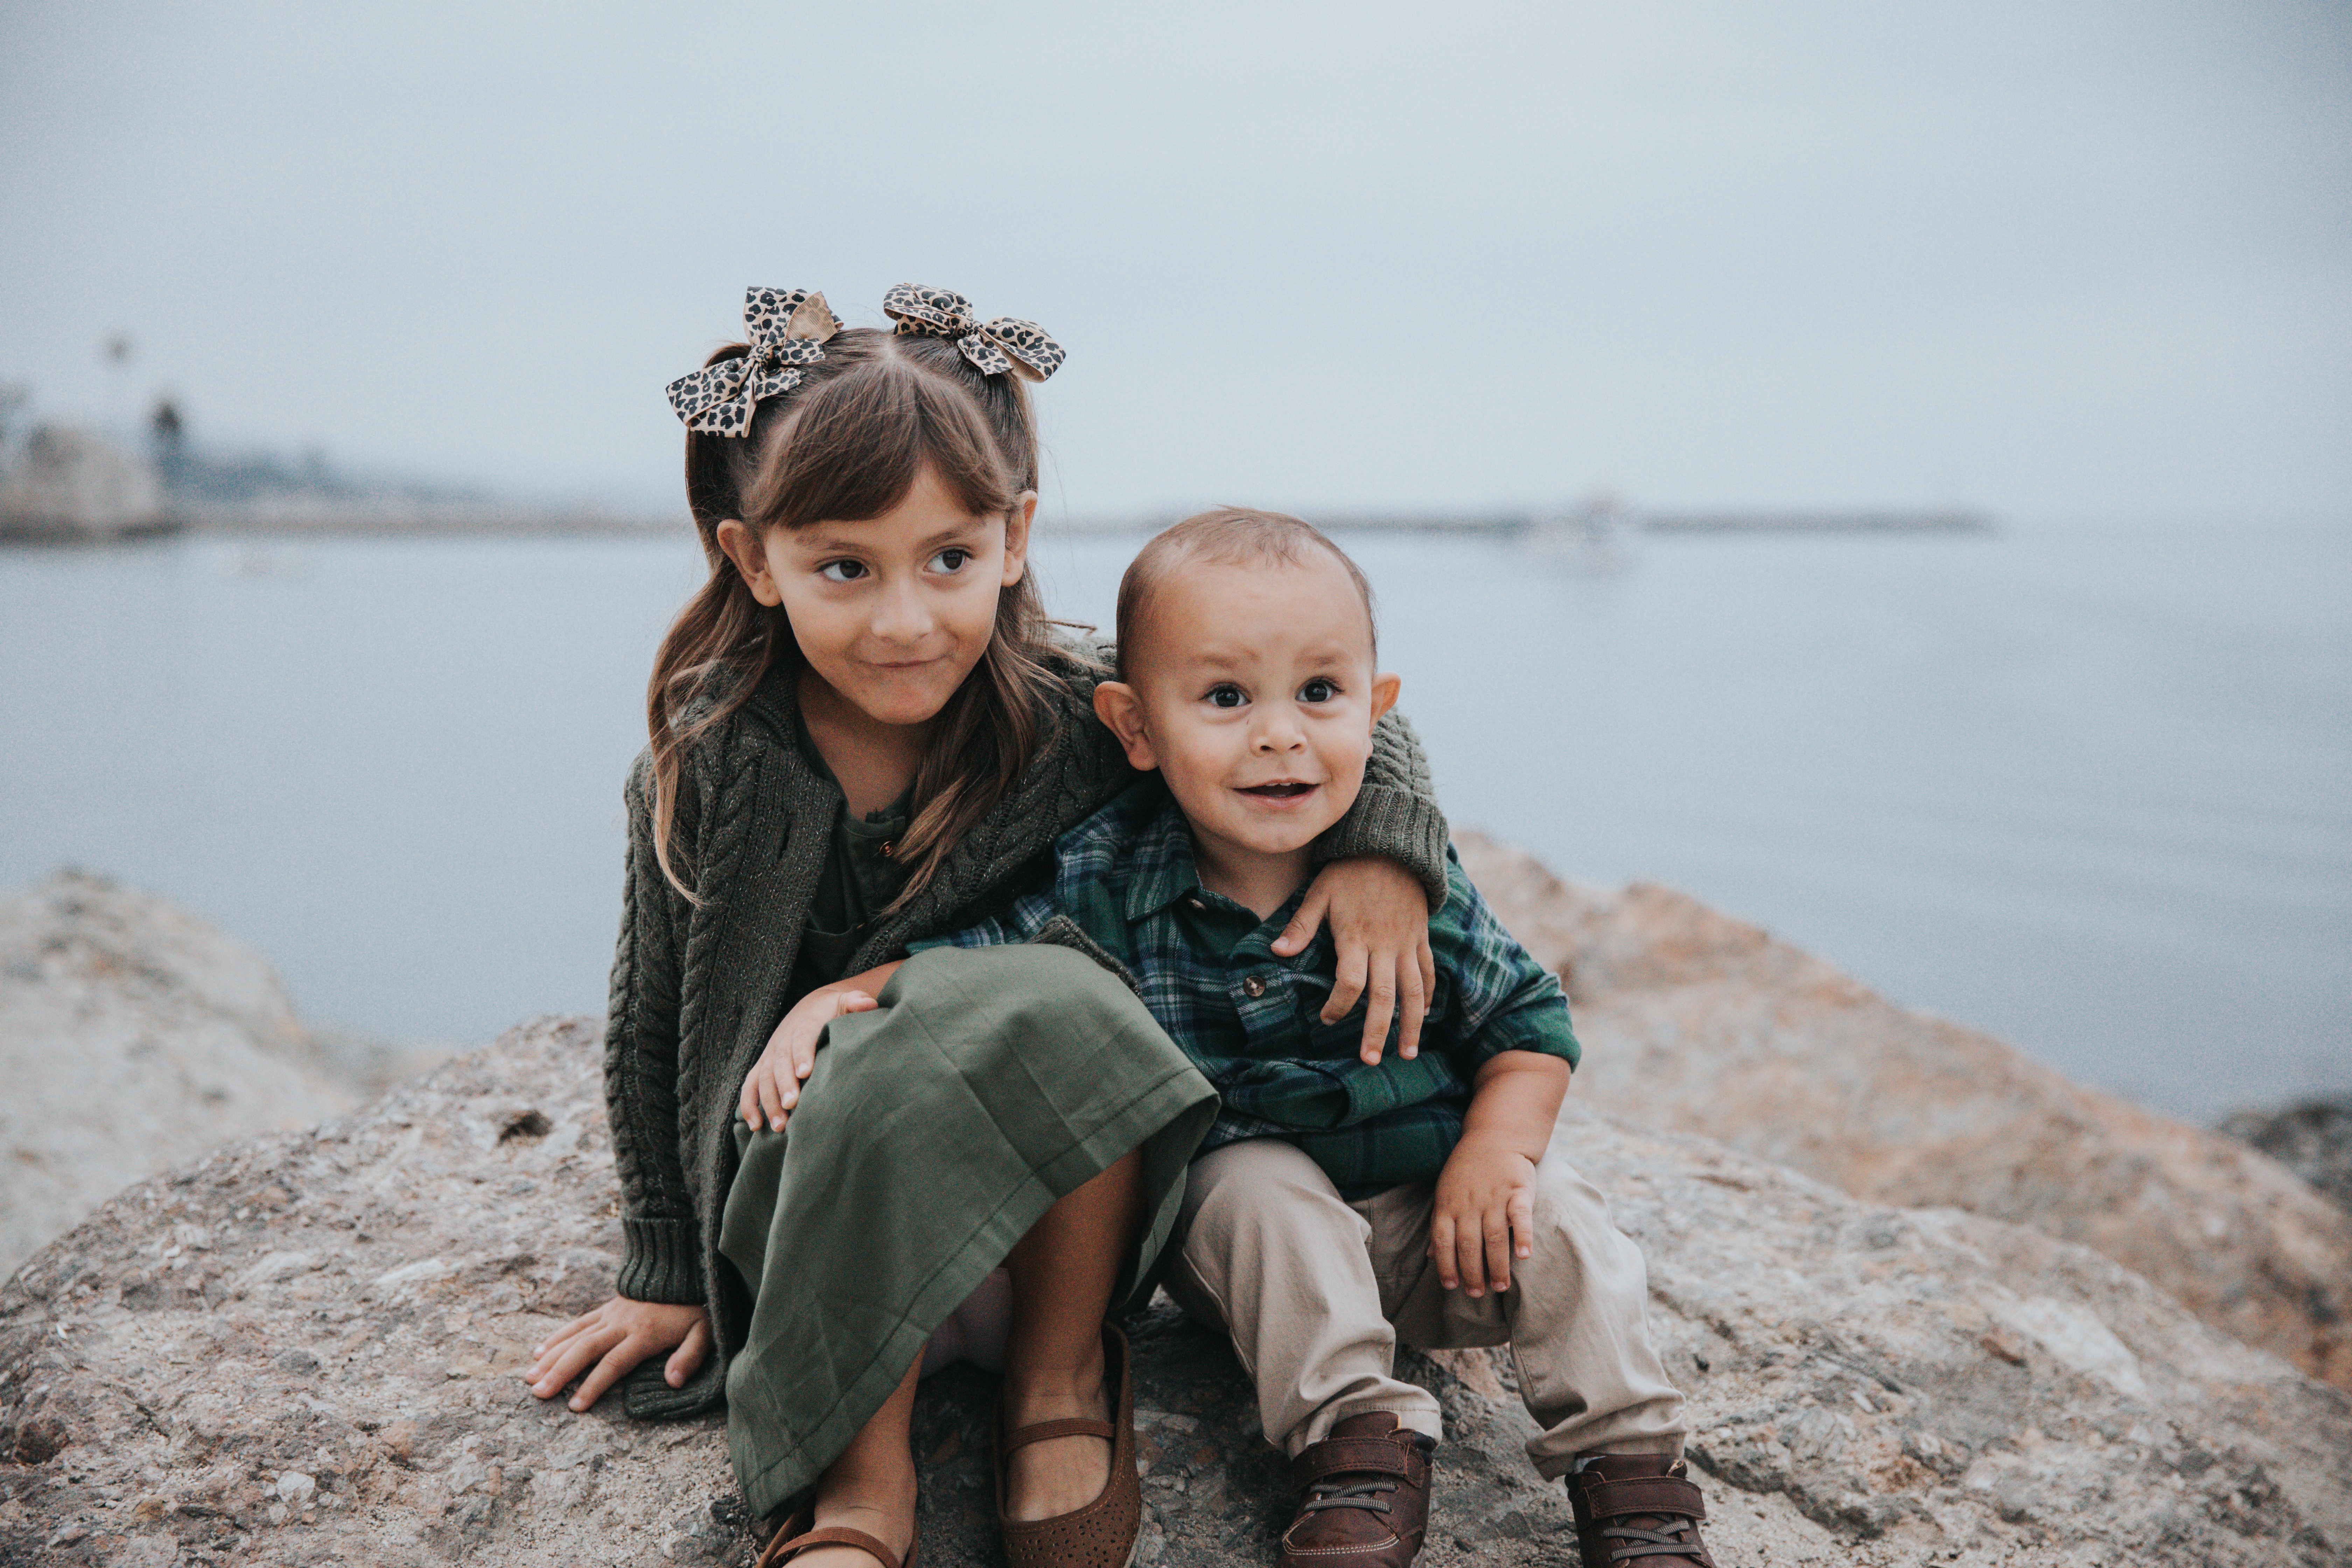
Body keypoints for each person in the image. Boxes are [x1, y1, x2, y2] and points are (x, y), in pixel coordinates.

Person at [521, 290, 1453, 1568]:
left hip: (1052, 1226)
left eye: (948, 559)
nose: (906, 620)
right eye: (846, 568)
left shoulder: (1074, 714)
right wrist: (666, 1269)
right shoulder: (714, 763)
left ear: (1013, 536)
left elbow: (1325, 711)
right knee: (881, 1065)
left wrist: (1385, 853)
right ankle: (859, 1485)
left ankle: (1059, 1384)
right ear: (753, 560)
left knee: (1070, 1000)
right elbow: (655, 1025)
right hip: (829, 1214)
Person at [915, 509, 1717, 1568]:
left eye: (1321, 693)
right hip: (1257, 1271)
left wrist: (1496, 1152)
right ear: (1135, 728)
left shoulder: (1409, 886)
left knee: (1562, 1209)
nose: (1280, 734)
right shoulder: (1109, 876)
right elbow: (982, 964)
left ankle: (1634, 1472)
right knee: (1246, 1175)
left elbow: (1530, 1027)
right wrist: (856, 995)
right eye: (1226, 698)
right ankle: (1356, 1443)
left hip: (1439, 1238)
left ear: (1376, 712)